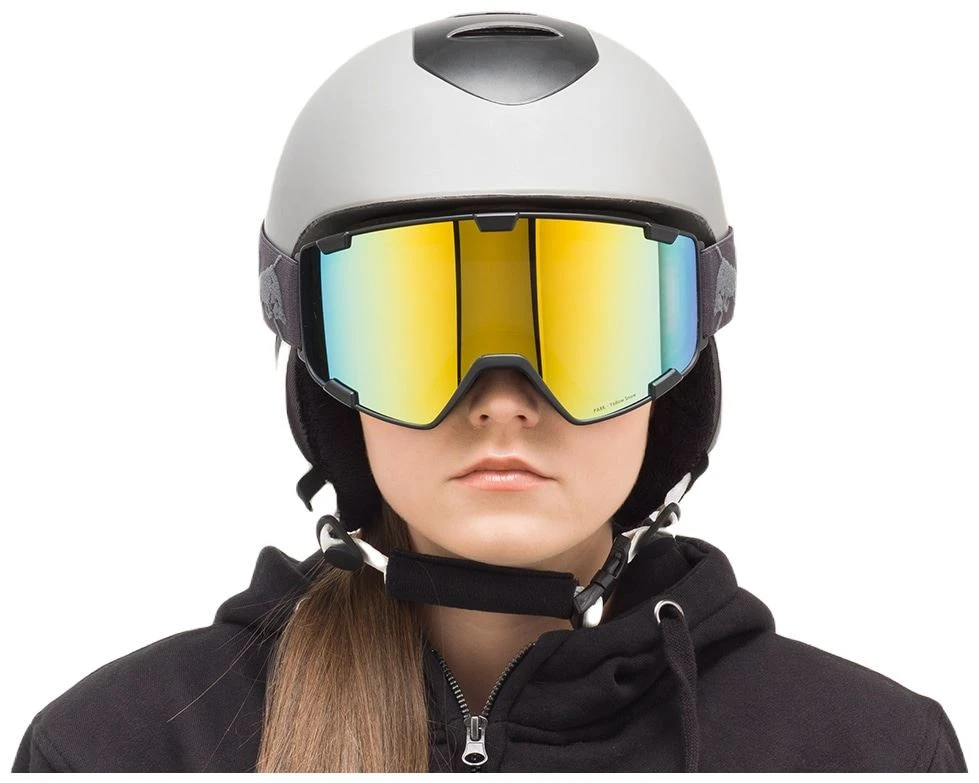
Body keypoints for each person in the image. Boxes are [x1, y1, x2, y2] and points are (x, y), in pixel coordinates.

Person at [11, 10, 967, 773]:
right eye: (416, 328)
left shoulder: (866, 752)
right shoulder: (128, 749)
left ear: (679, 380)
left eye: (588, 327)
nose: (503, 401)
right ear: (325, 385)